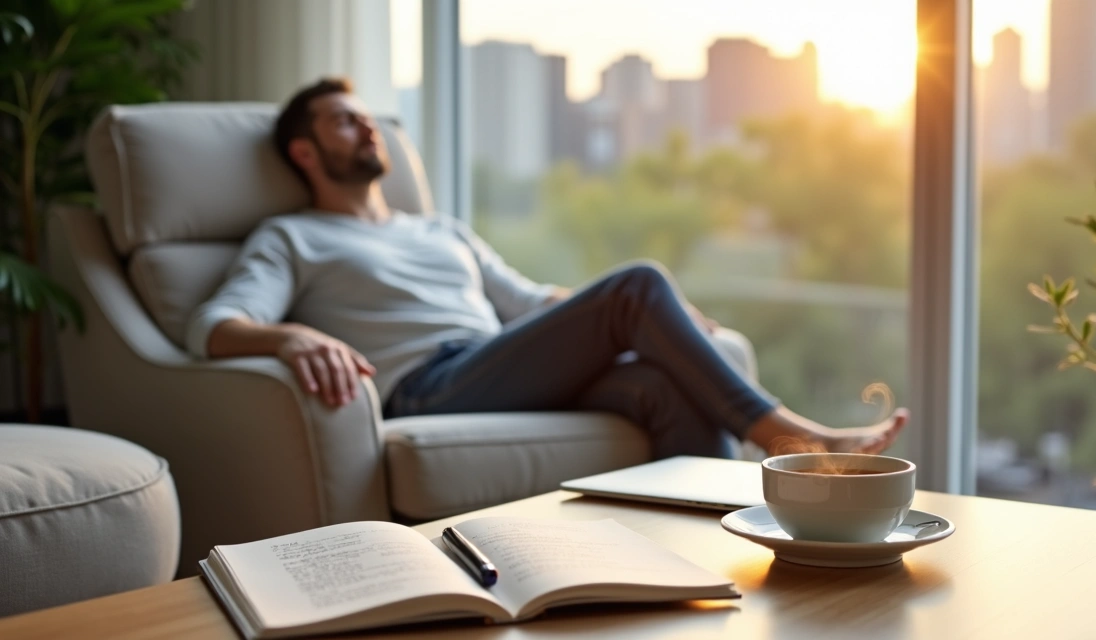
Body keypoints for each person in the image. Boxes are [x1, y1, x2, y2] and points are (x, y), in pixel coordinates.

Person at [185, 77, 906, 459]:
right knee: (639, 282)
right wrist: (290, 338)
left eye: (366, 116)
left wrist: (665, 324)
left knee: (664, 380)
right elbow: (212, 325)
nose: (367, 125)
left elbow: (528, 301)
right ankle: (793, 440)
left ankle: (704, 575)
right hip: (426, 388)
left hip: (493, 363)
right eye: (343, 120)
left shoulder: (439, 230)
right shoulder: (292, 236)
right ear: (305, 153)